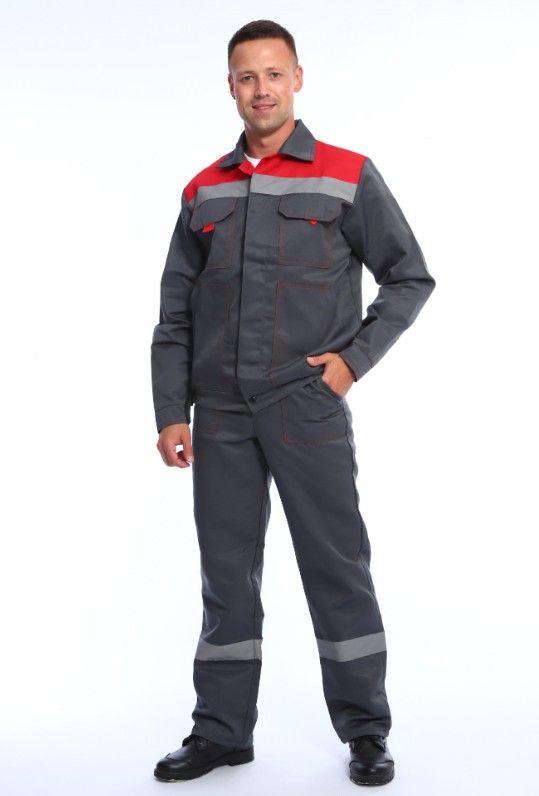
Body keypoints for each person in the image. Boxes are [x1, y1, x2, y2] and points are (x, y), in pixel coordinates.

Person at [151, 19, 435, 788]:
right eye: (246, 76)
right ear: (230, 86)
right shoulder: (202, 189)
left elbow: (408, 277)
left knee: (336, 567)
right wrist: (171, 410)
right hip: (220, 414)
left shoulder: (347, 174)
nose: (261, 89)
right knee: (225, 576)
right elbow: (174, 312)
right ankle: (221, 733)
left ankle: (366, 731)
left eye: (273, 74)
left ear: (298, 78)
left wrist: (352, 362)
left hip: (304, 405)